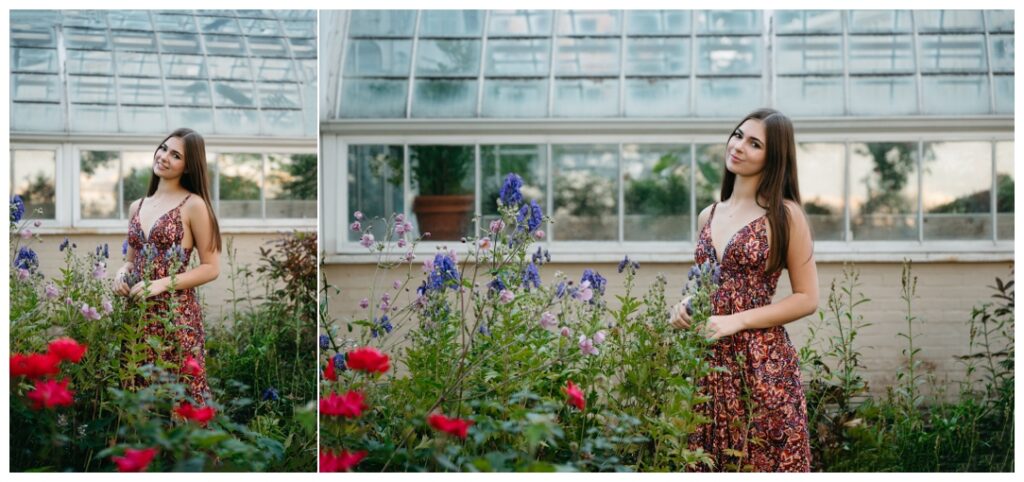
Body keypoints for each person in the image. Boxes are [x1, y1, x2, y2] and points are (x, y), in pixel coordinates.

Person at [669, 108, 819, 472]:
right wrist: (684, 306)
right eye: (738, 135)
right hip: (707, 363)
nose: (738, 146)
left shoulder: (785, 216)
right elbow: (708, 283)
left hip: (761, 364)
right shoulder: (709, 215)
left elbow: (807, 298)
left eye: (755, 144)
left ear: (773, 157)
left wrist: (735, 321)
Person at [114, 128, 222, 404]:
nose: (164, 157)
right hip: (137, 317)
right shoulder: (136, 207)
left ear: (188, 167)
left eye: (176, 155)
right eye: (163, 148)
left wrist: (161, 284)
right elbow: (131, 260)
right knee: (138, 397)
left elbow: (211, 267)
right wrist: (121, 274)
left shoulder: (194, 205)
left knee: (182, 397)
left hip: (175, 317)